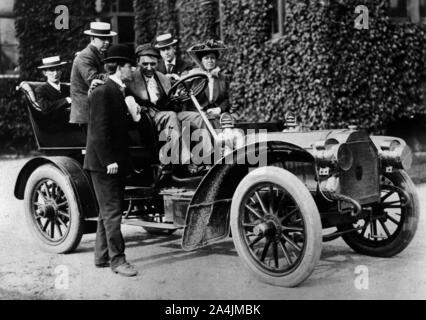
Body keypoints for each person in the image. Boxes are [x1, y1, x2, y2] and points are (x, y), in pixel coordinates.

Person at [83, 44, 138, 277]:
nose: (133, 70)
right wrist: (108, 161)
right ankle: (118, 260)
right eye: (130, 66)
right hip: (105, 164)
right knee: (113, 212)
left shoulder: (118, 90)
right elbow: (97, 132)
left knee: (107, 211)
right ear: (120, 67)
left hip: (113, 162)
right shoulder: (102, 91)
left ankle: (101, 256)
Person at [125, 43, 182, 165]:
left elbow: (169, 101)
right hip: (146, 118)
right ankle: (176, 162)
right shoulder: (130, 78)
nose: (149, 68)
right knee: (171, 116)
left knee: (195, 117)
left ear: (158, 63)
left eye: (153, 64)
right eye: (145, 64)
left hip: (163, 113)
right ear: (138, 62)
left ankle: (207, 159)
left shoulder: (163, 78)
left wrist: (178, 98)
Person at [69, 22, 116, 125]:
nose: (107, 42)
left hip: (95, 108)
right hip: (86, 113)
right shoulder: (85, 56)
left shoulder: (99, 54)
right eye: (102, 39)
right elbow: (94, 79)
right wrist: (117, 76)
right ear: (92, 38)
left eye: (108, 39)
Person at [184, 39, 235, 128]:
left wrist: (219, 109)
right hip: (197, 116)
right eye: (206, 58)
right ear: (201, 61)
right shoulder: (193, 77)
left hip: (216, 116)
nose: (210, 61)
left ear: (216, 60)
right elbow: (187, 101)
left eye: (212, 58)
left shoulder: (223, 78)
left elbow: (227, 100)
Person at [34, 56, 71, 132]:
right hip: (53, 130)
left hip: (72, 125)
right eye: (51, 70)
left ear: (61, 71)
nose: (55, 73)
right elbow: (45, 108)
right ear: (45, 73)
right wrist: (66, 100)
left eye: (58, 69)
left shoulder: (67, 88)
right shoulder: (41, 90)